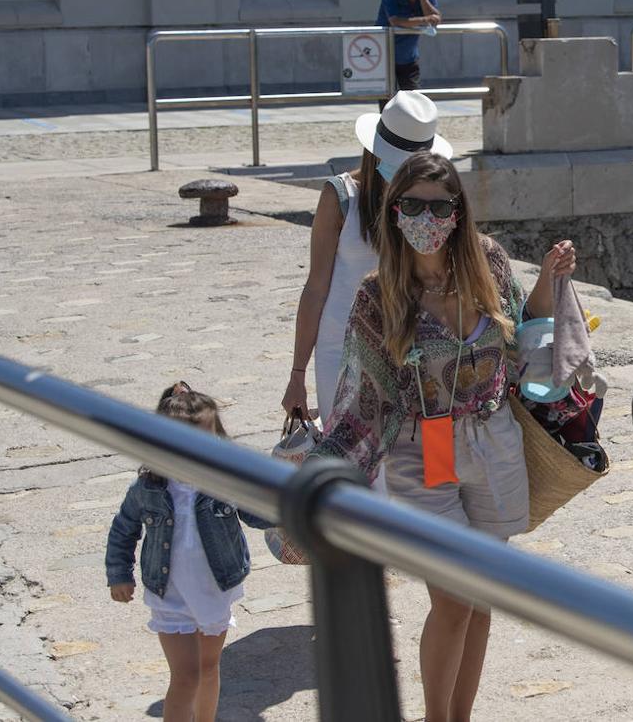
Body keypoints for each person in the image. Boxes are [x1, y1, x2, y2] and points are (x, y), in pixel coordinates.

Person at [310, 152, 574, 722]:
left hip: (494, 438)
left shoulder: (491, 264)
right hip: (423, 449)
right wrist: (319, 477)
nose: (425, 217)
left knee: (479, 598)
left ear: (458, 212)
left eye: (438, 206)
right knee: (453, 599)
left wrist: (550, 283)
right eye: (411, 205)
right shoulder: (377, 297)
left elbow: (518, 341)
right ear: (393, 212)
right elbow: (362, 404)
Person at [281, 90, 454, 425]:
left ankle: (439, 476)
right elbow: (316, 287)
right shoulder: (341, 196)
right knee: (352, 451)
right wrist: (297, 374)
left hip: (417, 341)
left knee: (426, 454)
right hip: (344, 347)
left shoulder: (433, 200)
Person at [105, 383, 273, 722]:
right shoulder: (148, 488)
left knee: (208, 668)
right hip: (169, 591)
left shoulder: (225, 481)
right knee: (186, 676)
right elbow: (124, 528)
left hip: (213, 587)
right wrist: (119, 573)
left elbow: (258, 513)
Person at [375, 0, 442, 106]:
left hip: (408, 57)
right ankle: (387, 129)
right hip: (385, 56)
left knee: (414, 101)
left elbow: (435, 18)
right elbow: (396, 21)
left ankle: (411, 129)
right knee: (388, 103)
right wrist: (425, 19)